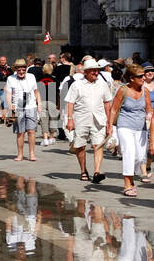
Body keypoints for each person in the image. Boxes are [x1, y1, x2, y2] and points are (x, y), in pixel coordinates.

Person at [64, 57, 113, 183]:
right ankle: (83, 170)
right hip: (81, 119)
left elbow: (107, 103)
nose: (96, 73)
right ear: (85, 72)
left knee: (98, 145)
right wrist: (70, 119)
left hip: (99, 119)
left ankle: (97, 172)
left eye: (97, 71)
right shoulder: (77, 85)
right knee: (80, 146)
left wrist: (109, 122)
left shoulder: (102, 84)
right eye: (93, 71)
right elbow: (70, 103)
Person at [107, 63, 152, 198]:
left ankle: (132, 177)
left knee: (140, 157)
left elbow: (149, 107)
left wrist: (149, 113)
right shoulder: (123, 90)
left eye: (143, 75)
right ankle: (128, 184)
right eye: (140, 76)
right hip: (125, 125)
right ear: (131, 78)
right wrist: (109, 125)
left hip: (141, 127)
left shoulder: (145, 91)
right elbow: (114, 109)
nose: (143, 78)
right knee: (129, 153)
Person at [6, 58, 41, 161]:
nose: (21, 72)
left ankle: (32, 154)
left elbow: (36, 91)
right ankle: (20, 154)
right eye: (19, 70)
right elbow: (8, 94)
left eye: (23, 69)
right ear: (16, 69)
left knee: (32, 131)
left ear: (26, 69)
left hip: (31, 106)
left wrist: (39, 104)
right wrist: (10, 105)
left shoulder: (31, 77)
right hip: (18, 107)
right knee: (20, 132)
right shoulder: (10, 78)